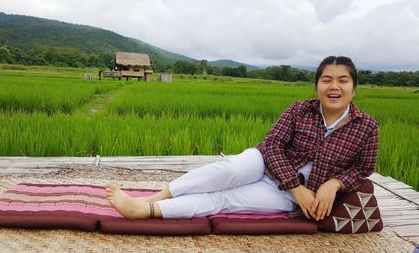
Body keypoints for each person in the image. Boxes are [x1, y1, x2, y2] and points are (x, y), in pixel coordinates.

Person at [105, 56, 379, 221]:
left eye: (342, 80)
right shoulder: (299, 109)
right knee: (230, 169)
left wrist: (333, 183)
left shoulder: (366, 127)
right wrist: (296, 186)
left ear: (354, 89)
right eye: (326, 80)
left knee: (222, 201)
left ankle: (144, 212)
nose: (334, 86)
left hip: (286, 196)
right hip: (265, 165)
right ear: (317, 85)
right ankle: (155, 197)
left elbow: (363, 168)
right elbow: (271, 146)